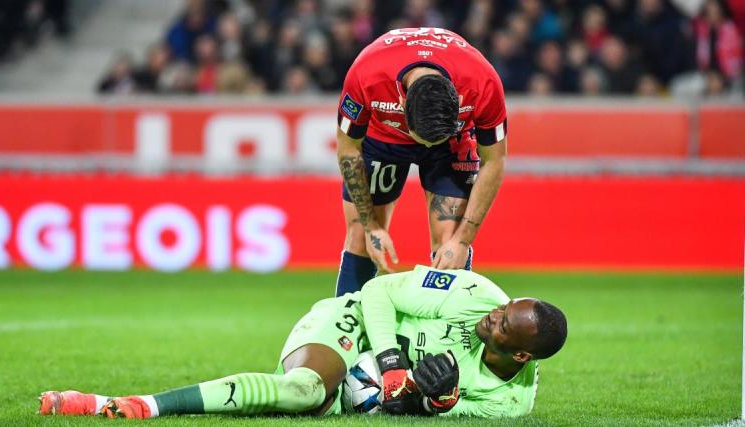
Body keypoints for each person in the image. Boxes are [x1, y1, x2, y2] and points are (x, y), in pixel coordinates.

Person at [38, 265, 567, 419]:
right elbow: (378, 290)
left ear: (520, 354)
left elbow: (430, 412)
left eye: (501, 326)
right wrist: (387, 360)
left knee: (320, 403)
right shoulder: (473, 293)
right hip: (353, 323)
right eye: (501, 309)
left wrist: (437, 402)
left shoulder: (511, 402)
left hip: (376, 392)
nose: (491, 317)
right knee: (302, 391)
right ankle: (133, 405)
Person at [335, 27, 508, 297]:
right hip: (383, 139)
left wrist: (463, 240)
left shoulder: (482, 82)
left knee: (449, 243)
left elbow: (494, 161)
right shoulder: (366, 73)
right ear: (402, 102)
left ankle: (445, 336)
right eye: (423, 139)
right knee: (360, 237)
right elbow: (348, 150)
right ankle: (345, 331)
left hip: (453, 144)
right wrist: (370, 227)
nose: (425, 146)